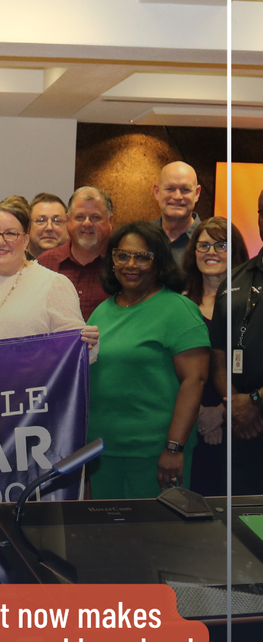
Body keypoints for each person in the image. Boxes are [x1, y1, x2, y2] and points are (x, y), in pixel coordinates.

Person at [87, 221, 210, 499]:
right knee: (107, 539)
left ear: (160, 263)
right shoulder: (102, 311)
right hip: (102, 454)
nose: (131, 264)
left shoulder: (178, 310)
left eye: (143, 257)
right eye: (123, 255)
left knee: (156, 540)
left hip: (155, 457)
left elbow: (195, 381)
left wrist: (173, 448)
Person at [0, 199, 98, 351]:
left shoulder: (53, 285)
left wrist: (88, 344)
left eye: (10, 233)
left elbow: (77, 352)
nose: (0, 241)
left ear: (25, 241)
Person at [181, 217, 248, 495]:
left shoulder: (251, 302)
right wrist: (197, 415)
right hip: (187, 422)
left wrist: (222, 413)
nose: (211, 252)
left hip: (242, 419)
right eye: (204, 245)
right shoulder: (177, 302)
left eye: (221, 245)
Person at [210, 190, 263, 496]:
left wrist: (255, 401)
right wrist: (235, 404)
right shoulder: (234, 279)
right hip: (241, 428)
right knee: (240, 528)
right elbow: (218, 355)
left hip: (251, 411)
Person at [37, 186, 113, 319]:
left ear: (110, 222)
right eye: (80, 217)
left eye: (95, 217)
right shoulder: (45, 264)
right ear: (68, 221)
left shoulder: (120, 265)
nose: (87, 223)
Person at [153, 161, 202, 266]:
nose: (177, 197)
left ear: (197, 193)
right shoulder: (139, 238)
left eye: (185, 189)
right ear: (157, 192)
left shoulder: (212, 243)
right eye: (170, 189)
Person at [27, 192, 69, 260]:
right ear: (28, 227)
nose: (49, 227)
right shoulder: (13, 267)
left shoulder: (79, 267)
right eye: (41, 220)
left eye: (57, 221)